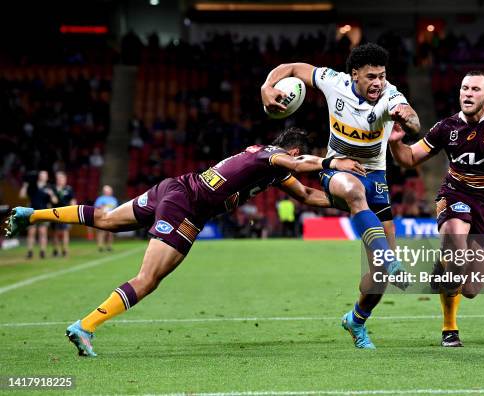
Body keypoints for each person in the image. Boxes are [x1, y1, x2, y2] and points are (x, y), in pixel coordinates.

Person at [5, 127, 364, 357]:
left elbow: (307, 195)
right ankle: (85, 326)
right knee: (147, 280)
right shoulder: (265, 155)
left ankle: (30, 214)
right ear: (292, 150)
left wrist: (349, 201)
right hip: (185, 207)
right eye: (296, 156)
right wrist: (333, 161)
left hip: (172, 188)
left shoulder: (271, 171)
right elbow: (298, 165)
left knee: (108, 219)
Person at [261, 42, 421, 349]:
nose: (378, 83)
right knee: (352, 189)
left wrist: (405, 117)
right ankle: (387, 258)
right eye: (371, 76)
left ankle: (356, 321)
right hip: (336, 171)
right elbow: (294, 68)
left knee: (379, 279)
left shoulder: (391, 95)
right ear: (354, 74)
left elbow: (413, 119)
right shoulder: (333, 82)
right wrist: (267, 86)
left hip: (376, 178)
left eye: (382, 76)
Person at [388, 71, 484, 347]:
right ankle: (450, 329)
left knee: (471, 289)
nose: (468, 93)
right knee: (454, 243)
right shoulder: (446, 128)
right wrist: (395, 142)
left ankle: (445, 265)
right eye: (464, 88)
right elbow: (410, 158)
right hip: (455, 193)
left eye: (475, 89)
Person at [18, 170, 58, 259]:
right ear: (39, 176)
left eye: (45, 175)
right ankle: (30, 252)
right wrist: (25, 185)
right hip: (31, 212)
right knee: (31, 232)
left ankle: (42, 251)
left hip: (44, 212)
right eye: (41, 175)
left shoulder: (50, 187)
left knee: (42, 232)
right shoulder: (32, 185)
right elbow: (22, 195)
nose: (43, 176)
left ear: (47, 177)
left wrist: (51, 194)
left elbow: (55, 201)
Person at [51, 171, 76, 257]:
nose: (62, 180)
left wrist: (73, 210)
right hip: (54, 213)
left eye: (63, 178)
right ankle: (56, 250)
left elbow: (72, 200)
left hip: (65, 213)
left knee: (65, 232)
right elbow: (52, 201)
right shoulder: (53, 188)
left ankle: (65, 250)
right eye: (59, 178)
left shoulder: (68, 189)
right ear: (57, 179)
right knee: (56, 233)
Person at [94, 186, 119, 252]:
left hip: (112, 217)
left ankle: (109, 246)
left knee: (110, 233)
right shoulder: (100, 199)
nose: (108, 192)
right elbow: (96, 207)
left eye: (109, 190)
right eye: (107, 191)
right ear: (104, 191)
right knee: (101, 232)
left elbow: (116, 208)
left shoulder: (114, 199)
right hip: (103, 217)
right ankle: (100, 246)